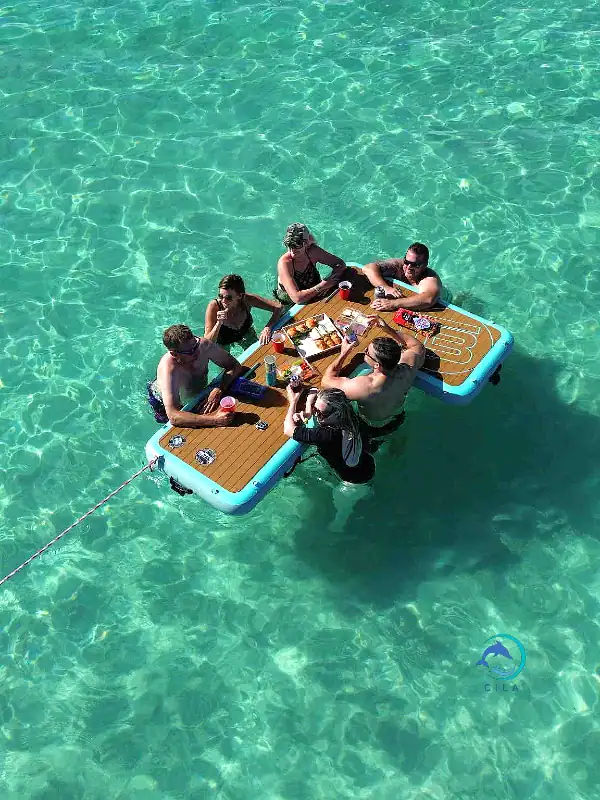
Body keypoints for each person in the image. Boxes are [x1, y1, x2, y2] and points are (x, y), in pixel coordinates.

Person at [320, 316, 425, 441]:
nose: (364, 350)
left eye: (367, 352)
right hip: (398, 416)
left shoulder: (364, 387)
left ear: (377, 365)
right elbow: (417, 346)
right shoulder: (408, 368)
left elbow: (326, 381)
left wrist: (344, 353)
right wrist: (388, 329)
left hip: (371, 425)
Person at [147, 324, 244, 427]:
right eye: (190, 351)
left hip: (195, 392)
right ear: (174, 354)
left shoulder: (203, 346)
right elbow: (173, 416)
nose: (197, 352)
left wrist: (219, 387)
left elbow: (234, 365)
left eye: (196, 345)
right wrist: (215, 420)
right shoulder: (169, 369)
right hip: (162, 401)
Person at [283, 386, 375, 484]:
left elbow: (288, 429)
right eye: (315, 410)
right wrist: (309, 407)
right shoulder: (349, 415)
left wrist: (293, 401)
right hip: (367, 462)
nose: (317, 415)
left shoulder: (327, 435)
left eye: (322, 413)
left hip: (356, 480)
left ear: (337, 413)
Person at [274, 222, 347, 305]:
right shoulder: (285, 263)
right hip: (288, 302)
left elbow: (340, 264)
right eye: (289, 245)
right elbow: (297, 299)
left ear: (306, 243)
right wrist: (324, 285)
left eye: (297, 245)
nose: (292, 249)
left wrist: (331, 281)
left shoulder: (312, 251)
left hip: (315, 293)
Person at [204, 274, 283, 349]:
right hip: (224, 341)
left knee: (260, 350)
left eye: (228, 298)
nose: (223, 301)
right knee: (228, 362)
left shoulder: (247, 300)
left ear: (240, 296)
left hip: (246, 332)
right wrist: (218, 323)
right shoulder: (214, 307)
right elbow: (207, 344)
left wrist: (268, 328)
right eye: (220, 296)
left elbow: (278, 307)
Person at [363, 242, 442, 312]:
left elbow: (428, 299)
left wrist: (392, 304)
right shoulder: (398, 265)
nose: (408, 267)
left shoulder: (430, 278)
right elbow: (368, 268)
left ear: (424, 265)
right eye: (406, 262)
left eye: (415, 265)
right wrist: (386, 287)